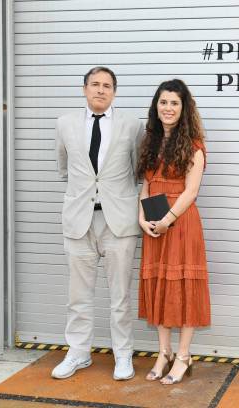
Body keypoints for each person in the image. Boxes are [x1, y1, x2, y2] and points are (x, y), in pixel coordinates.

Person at [51, 66, 144, 380]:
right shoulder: (65, 124)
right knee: (78, 296)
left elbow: (137, 170)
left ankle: (123, 356)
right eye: (95, 84)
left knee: (120, 297)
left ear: (114, 92)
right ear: (84, 88)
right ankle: (78, 353)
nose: (101, 90)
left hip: (118, 223)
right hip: (79, 221)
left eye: (107, 85)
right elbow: (64, 168)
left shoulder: (132, 125)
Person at [136, 79, 210, 385]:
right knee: (159, 286)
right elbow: (146, 185)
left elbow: (191, 191)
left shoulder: (194, 145)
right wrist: (142, 217)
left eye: (174, 103)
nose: (168, 108)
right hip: (154, 222)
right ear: (156, 106)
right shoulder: (150, 142)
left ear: (184, 108)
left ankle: (183, 356)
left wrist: (167, 219)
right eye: (163, 102)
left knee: (184, 288)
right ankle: (163, 352)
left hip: (180, 223)